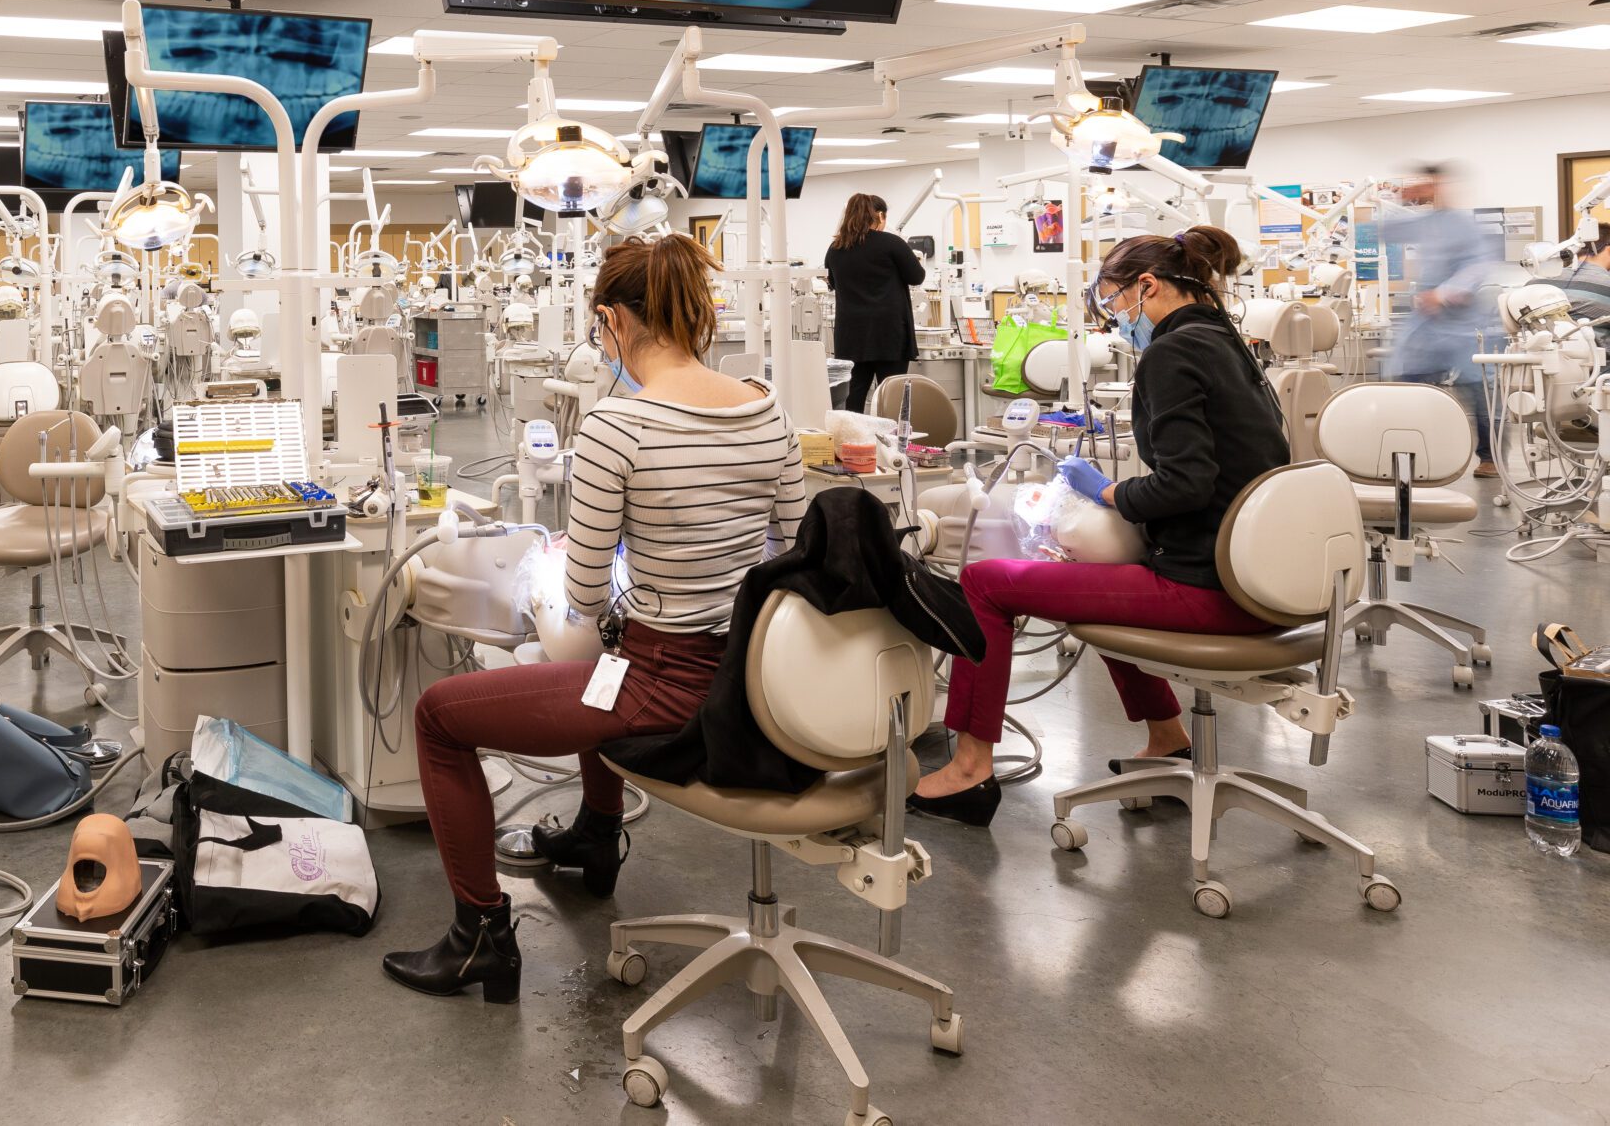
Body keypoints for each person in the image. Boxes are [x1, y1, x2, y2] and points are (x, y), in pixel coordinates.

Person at [381, 233, 809, 1004]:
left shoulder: (617, 428)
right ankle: (594, 836)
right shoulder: (766, 406)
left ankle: (478, 932)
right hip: (759, 675)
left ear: (610, 321)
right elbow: (798, 545)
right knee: (601, 666)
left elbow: (581, 592)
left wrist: (582, 549)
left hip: (670, 689)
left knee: (442, 716)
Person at [908, 226, 1289, 827]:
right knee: (1098, 571)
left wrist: (1106, 491)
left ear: (1147, 286)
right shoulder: (1230, 345)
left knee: (984, 582)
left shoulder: (1172, 351)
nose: (1115, 322)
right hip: (1263, 578)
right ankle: (1167, 737)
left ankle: (969, 769)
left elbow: (1184, 484)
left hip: (1210, 591)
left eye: (1112, 304)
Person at [1382, 166, 1503, 476]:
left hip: (1465, 324)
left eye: (1436, 183)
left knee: (1481, 393)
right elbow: (1386, 232)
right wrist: (1402, 201)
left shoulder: (1464, 224)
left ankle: (1490, 458)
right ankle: (1409, 453)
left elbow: (1479, 266)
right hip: (1428, 326)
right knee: (1408, 384)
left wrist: (1446, 292)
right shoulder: (1428, 221)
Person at [822, 192, 926, 413]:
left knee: (852, 397)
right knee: (891, 397)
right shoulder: (892, 243)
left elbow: (832, 283)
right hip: (889, 334)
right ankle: (890, 444)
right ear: (879, 215)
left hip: (850, 336)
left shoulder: (836, 248)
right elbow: (917, 277)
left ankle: (852, 445)